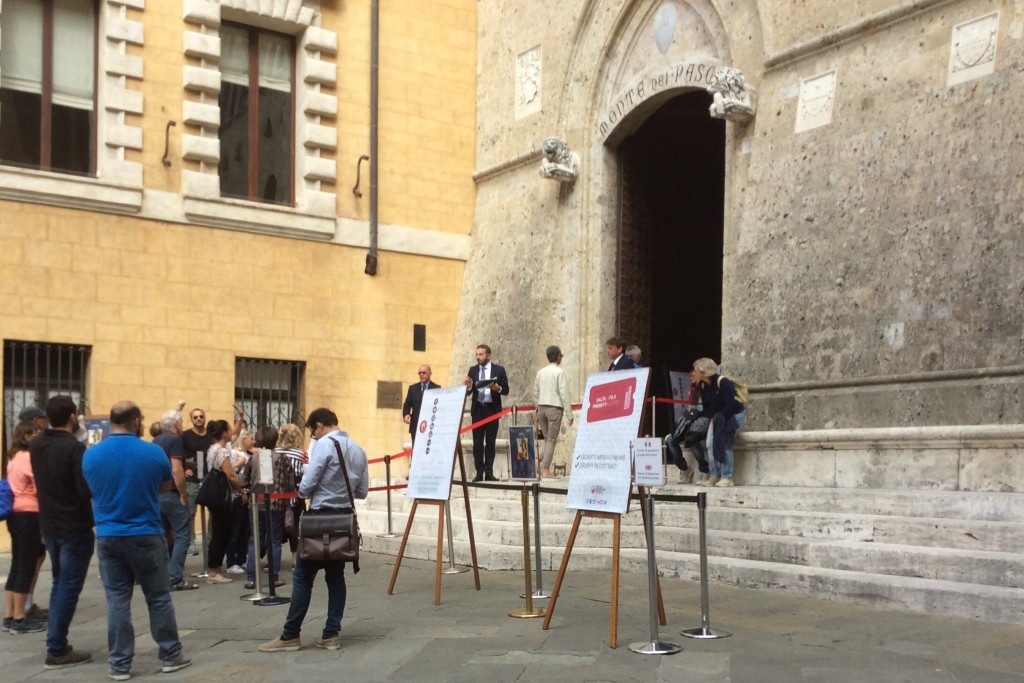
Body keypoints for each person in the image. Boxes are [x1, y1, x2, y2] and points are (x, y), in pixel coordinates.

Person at [82, 401, 192, 679]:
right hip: (145, 531)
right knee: (158, 597)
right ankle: (170, 654)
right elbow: (164, 487)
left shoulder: (92, 455)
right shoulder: (152, 452)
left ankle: (119, 664)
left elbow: (91, 490)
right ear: (134, 421)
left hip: (108, 534)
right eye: (141, 419)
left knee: (117, 600)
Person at [259, 407, 368, 653]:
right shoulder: (359, 450)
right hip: (343, 520)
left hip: (319, 518)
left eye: (313, 432)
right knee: (336, 577)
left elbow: (305, 488)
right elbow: (361, 492)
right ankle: (331, 634)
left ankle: (290, 635)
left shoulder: (324, 445)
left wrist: (309, 479)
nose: (313, 437)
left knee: (302, 576)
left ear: (319, 425)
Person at [29, 395, 93, 669]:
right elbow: (84, 490)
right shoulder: (75, 449)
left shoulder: (37, 444)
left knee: (59, 582)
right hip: (74, 525)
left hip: (50, 524)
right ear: (72, 416)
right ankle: (56, 647)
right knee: (68, 586)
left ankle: (56, 642)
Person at [4, 420, 47, 634]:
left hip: (15, 514)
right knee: (27, 565)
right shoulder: (29, 458)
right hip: (30, 514)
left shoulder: (13, 458)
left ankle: (10, 615)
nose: (40, 435)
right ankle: (20, 617)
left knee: (17, 563)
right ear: (27, 436)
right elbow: (40, 488)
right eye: (36, 432)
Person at [244, 426, 296, 590]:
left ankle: (252, 578)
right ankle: (273, 577)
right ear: (275, 440)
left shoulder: (252, 459)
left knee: (255, 541)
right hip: (277, 504)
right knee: (274, 542)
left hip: (255, 503)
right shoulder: (283, 459)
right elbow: (290, 483)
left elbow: (244, 480)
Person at [153, 410, 198, 591]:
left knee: (163, 536)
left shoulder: (156, 440)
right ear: (176, 424)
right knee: (182, 536)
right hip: (172, 492)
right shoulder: (174, 441)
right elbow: (177, 469)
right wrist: (183, 493)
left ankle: (163, 575)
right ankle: (175, 578)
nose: (182, 426)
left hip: (157, 494)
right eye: (181, 423)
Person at [202, 419, 249, 584]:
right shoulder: (222, 452)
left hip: (216, 497)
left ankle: (215, 569)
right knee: (221, 534)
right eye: (229, 430)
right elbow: (230, 475)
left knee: (219, 532)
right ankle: (213, 571)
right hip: (222, 498)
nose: (232, 433)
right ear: (223, 433)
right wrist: (241, 491)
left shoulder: (212, 449)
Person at [692, 358, 746, 487]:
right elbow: (707, 407)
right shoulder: (703, 385)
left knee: (725, 442)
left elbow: (731, 404)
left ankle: (727, 477)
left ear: (704, 372)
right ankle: (714, 475)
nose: (694, 373)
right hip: (717, 417)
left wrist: (720, 421)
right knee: (710, 444)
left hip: (732, 415)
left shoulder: (723, 382)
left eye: (696, 370)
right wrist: (713, 420)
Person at [463, 344, 510, 482]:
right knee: (477, 443)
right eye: (477, 354)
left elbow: (506, 390)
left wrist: (497, 388)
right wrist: (469, 385)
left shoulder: (498, 370)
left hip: (492, 409)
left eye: (481, 354)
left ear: (488, 355)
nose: (478, 357)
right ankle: (479, 472)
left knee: (490, 442)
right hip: (478, 409)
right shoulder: (473, 370)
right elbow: (469, 392)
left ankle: (489, 472)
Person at [533, 345, 574, 478]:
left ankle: (536, 461)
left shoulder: (540, 372)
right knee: (551, 440)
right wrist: (569, 414)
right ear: (558, 357)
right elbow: (564, 394)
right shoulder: (559, 372)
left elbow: (536, 392)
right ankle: (545, 469)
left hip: (541, 407)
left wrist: (537, 409)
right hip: (554, 408)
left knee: (546, 439)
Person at [665, 369, 710, 484]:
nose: (691, 378)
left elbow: (706, 407)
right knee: (671, 440)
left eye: (693, 376)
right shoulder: (693, 389)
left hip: (703, 419)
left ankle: (705, 470)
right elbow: (691, 408)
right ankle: (684, 469)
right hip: (690, 419)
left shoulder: (707, 387)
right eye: (690, 377)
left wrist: (693, 413)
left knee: (692, 438)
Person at [180, 407, 212, 555]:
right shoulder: (185, 436)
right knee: (190, 512)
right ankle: (191, 542)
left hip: (209, 479)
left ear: (204, 418)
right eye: (195, 417)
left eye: (201, 416)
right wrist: (183, 468)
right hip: (192, 479)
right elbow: (177, 454)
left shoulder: (211, 435)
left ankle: (210, 540)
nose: (199, 419)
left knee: (213, 511)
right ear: (191, 419)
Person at [276, 423, 307, 561]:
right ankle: (295, 559)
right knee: (295, 526)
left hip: (277, 494)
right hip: (296, 493)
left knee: (277, 525)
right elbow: (306, 472)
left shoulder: (275, 452)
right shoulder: (301, 454)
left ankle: (274, 560)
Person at [402, 364, 440, 448]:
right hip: (416, 426)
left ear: (430, 373)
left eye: (424, 373)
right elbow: (407, 404)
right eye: (419, 373)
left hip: (430, 427)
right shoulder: (413, 388)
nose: (421, 375)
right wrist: (406, 414)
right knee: (416, 451)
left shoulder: (436, 388)